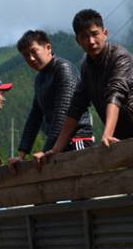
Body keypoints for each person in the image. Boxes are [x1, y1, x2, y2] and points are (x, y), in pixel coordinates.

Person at [40, 9, 133, 159]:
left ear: (105, 33)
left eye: (94, 34)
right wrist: (56, 149)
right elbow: (75, 108)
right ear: (77, 41)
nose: (91, 41)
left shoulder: (120, 57)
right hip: (125, 139)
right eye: (84, 37)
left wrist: (107, 134)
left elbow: (115, 94)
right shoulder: (86, 67)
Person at [10, 30, 93, 168]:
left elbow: (62, 113)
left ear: (48, 47)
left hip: (76, 140)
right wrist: (21, 154)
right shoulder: (40, 78)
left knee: (81, 184)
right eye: (26, 55)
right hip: (56, 144)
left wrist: (46, 150)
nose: (31, 58)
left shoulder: (63, 69)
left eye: (34, 51)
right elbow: (35, 117)